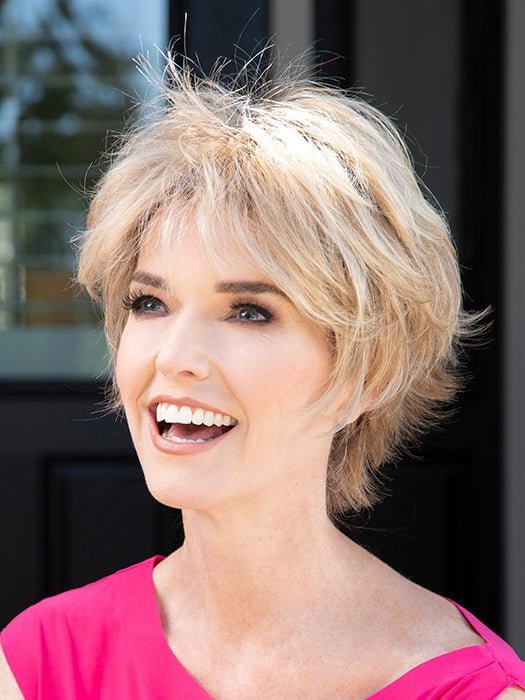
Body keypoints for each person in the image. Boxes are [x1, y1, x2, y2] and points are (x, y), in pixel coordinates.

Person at [1, 54, 524, 699]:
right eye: (150, 303)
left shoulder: (470, 688)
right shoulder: (44, 661)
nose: (175, 357)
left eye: (248, 311)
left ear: (368, 371)